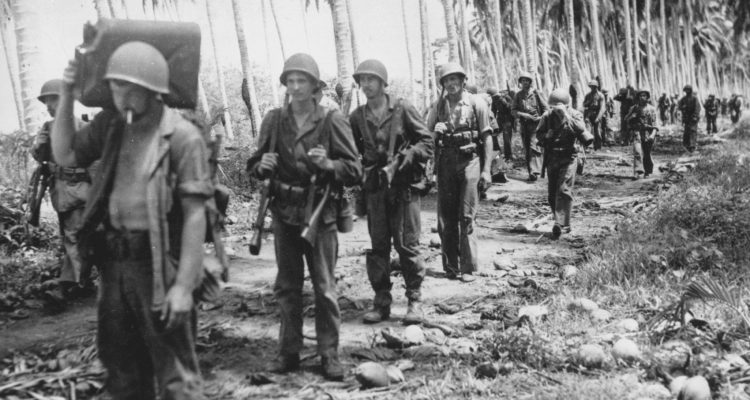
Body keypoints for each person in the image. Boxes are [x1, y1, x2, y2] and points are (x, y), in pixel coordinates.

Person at [52, 41, 210, 399]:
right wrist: (65, 94)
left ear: (151, 88)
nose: (118, 95)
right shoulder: (111, 127)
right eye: (114, 86)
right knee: (122, 372)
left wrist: (183, 287)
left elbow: (195, 216)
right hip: (114, 266)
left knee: (176, 376)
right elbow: (65, 153)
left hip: (159, 265)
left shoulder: (182, 137)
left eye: (126, 87)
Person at [246, 53, 362, 380]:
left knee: (324, 287)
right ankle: (288, 352)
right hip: (284, 213)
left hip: (320, 214)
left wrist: (329, 165)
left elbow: (354, 170)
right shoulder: (274, 120)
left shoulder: (331, 120)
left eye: (302, 81)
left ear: (314, 87)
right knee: (287, 286)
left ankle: (329, 354)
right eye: (291, 81)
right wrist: (261, 166)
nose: (296, 87)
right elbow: (254, 165)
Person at [349, 59, 433, 325]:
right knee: (379, 247)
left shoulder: (402, 108)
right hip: (375, 189)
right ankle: (382, 301)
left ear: (383, 82)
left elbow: (427, 141)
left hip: (404, 187)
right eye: (362, 80)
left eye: (371, 79)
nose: (366, 84)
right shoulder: (357, 117)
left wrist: (408, 156)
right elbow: (351, 151)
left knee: (408, 246)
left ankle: (414, 301)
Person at [30, 79, 95, 305]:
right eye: (47, 102)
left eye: (54, 100)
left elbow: (96, 163)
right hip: (60, 192)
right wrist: (40, 146)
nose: (49, 106)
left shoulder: (84, 127)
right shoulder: (47, 128)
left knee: (74, 237)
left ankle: (66, 286)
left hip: (80, 191)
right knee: (74, 237)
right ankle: (84, 283)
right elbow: (39, 156)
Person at [426, 62, 493, 282]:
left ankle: (468, 268)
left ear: (463, 81)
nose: (451, 83)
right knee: (446, 218)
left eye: (454, 79)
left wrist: (486, 171)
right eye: (447, 80)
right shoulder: (437, 107)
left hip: (470, 161)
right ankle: (450, 267)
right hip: (445, 163)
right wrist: (435, 133)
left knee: (467, 216)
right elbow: (427, 139)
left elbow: (487, 137)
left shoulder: (476, 103)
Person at [536, 88, 593, 239]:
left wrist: (566, 116)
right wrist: (546, 136)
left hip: (569, 156)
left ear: (567, 105)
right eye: (554, 107)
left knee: (564, 189)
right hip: (552, 156)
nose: (556, 109)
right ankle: (561, 221)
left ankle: (560, 224)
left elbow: (582, 131)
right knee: (552, 194)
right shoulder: (547, 116)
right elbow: (538, 135)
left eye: (559, 106)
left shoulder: (575, 114)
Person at [511, 71, 547, 181]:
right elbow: (513, 111)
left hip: (536, 125)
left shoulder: (536, 93)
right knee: (527, 148)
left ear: (530, 82)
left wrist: (540, 118)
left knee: (533, 146)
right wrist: (524, 115)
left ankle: (534, 171)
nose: (525, 82)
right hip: (524, 125)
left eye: (527, 80)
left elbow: (546, 110)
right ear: (520, 82)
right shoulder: (518, 95)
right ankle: (531, 171)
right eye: (523, 81)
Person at [625, 90, 658, 179]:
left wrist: (652, 135)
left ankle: (647, 171)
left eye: (644, 96)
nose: (642, 97)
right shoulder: (634, 108)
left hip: (648, 133)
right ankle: (637, 171)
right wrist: (632, 117)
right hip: (637, 132)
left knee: (646, 153)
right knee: (637, 151)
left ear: (647, 98)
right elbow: (626, 119)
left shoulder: (651, 109)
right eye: (640, 96)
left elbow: (655, 125)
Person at [489, 87, 516, 161]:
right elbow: (493, 111)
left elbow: (511, 108)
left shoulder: (506, 97)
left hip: (508, 119)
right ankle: (497, 153)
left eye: (494, 96)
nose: (494, 98)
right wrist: (492, 121)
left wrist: (503, 100)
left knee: (507, 139)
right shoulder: (494, 100)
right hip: (500, 120)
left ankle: (508, 156)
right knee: (493, 134)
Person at [582, 80, 606, 151]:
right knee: (588, 130)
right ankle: (589, 146)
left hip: (597, 113)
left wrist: (598, 118)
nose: (592, 88)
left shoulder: (600, 95)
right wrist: (587, 103)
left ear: (596, 87)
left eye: (594, 87)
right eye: (591, 87)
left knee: (597, 131)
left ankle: (598, 146)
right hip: (589, 114)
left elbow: (602, 108)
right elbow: (584, 104)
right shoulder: (588, 95)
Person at [677, 85, 701, 152]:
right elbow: (679, 106)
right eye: (686, 90)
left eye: (688, 90)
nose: (687, 91)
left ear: (690, 90)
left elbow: (697, 108)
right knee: (687, 131)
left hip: (693, 118)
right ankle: (686, 145)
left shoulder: (694, 98)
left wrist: (695, 116)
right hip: (686, 118)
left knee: (693, 131)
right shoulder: (683, 99)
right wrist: (683, 108)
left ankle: (692, 145)